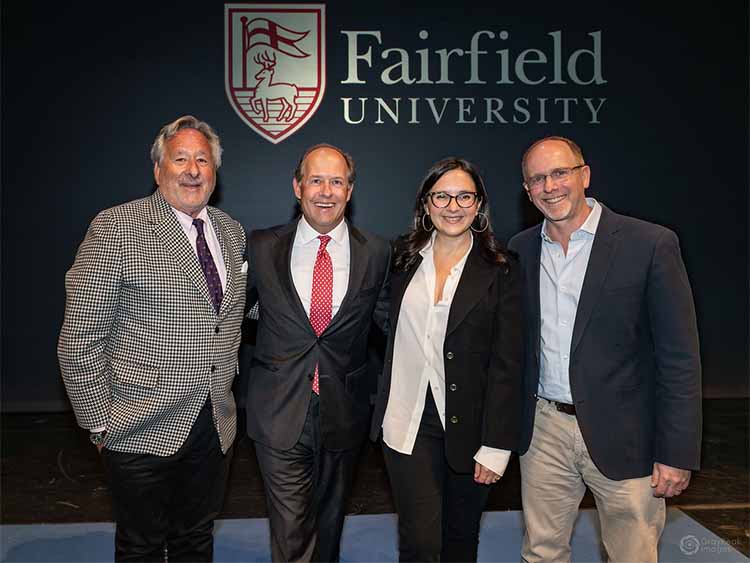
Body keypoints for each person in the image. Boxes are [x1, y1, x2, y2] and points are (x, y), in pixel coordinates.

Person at [58, 115, 248, 562]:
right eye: (180, 158)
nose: (193, 170)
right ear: (158, 170)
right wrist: (99, 421)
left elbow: (229, 314)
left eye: (203, 160)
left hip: (213, 422)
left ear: (215, 172)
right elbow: (79, 336)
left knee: (196, 539)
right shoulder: (115, 227)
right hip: (138, 426)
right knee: (141, 547)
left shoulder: (230, 231)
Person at [508, 136, 702, 563]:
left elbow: (680, 358)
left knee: (631, 554)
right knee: (541, 552)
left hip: (628, 434)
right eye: (537, 179)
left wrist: (676, 452)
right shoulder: (519, 251)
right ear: (527, 190)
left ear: (585, 175)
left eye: (560, 173)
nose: (550, 186)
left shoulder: (650, 244)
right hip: (544, 432)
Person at [370, 157, 522, 562]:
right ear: (426, 203)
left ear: (479, 206)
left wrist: (497, 446)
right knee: (420, 543)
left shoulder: (502, 269)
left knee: (460, 540)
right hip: (408, 422)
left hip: (473, 432)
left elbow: (509, 365)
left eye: (464, 196)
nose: (453, 206)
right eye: (442, 196)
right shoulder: (400, 258)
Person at [245, 144, 390, 562]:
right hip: (277, 409)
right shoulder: (261, 246)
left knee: (329, 527)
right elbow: (230, 314)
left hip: (344, 411)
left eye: (336, 181)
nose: (325, 191)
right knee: (292, 533)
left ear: (350, 190)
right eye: (315, 180)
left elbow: (394, 327)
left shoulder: (377, 253)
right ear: (297, 186)